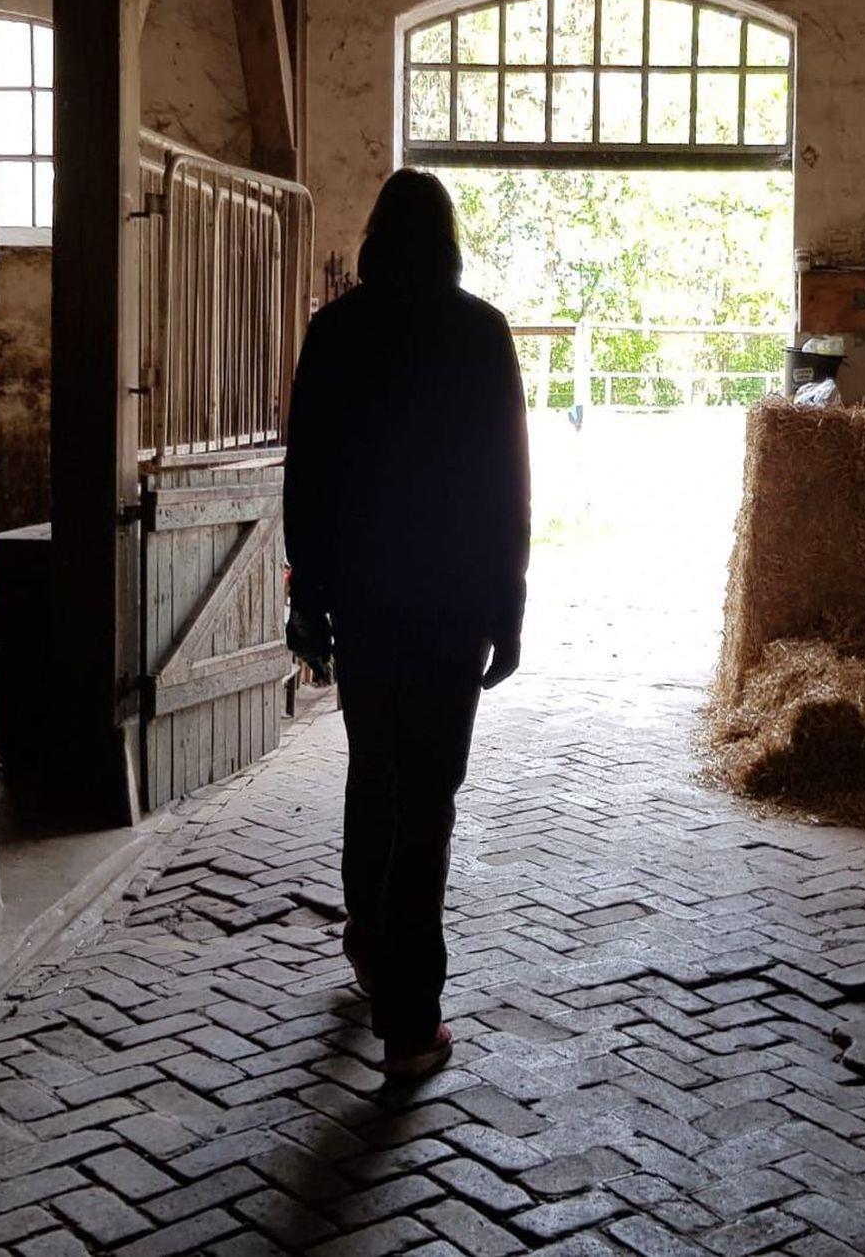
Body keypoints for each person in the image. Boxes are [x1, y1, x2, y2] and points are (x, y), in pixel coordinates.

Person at [282, 167, 530, 1081]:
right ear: (449, 241)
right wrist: (508, 604)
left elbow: (307, 474)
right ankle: (411, 1021)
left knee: (374, 770)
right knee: (428, 798)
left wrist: (307, 596)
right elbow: (508, 483)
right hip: (452, 604)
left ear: (377, 236)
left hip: (367, 598)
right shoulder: (481, 333)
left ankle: (367, 940)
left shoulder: (335, 332)